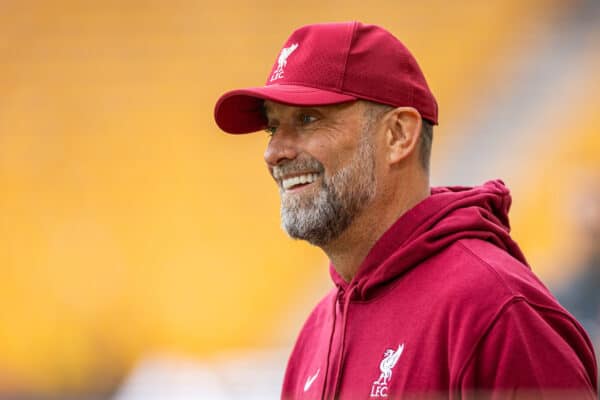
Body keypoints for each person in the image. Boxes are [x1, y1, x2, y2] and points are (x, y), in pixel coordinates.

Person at [213, 21, 597, 399]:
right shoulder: (316, 331)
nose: (274, 152)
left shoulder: (495, 311)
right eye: (272, 128)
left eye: (308, 119)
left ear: (398, 135)